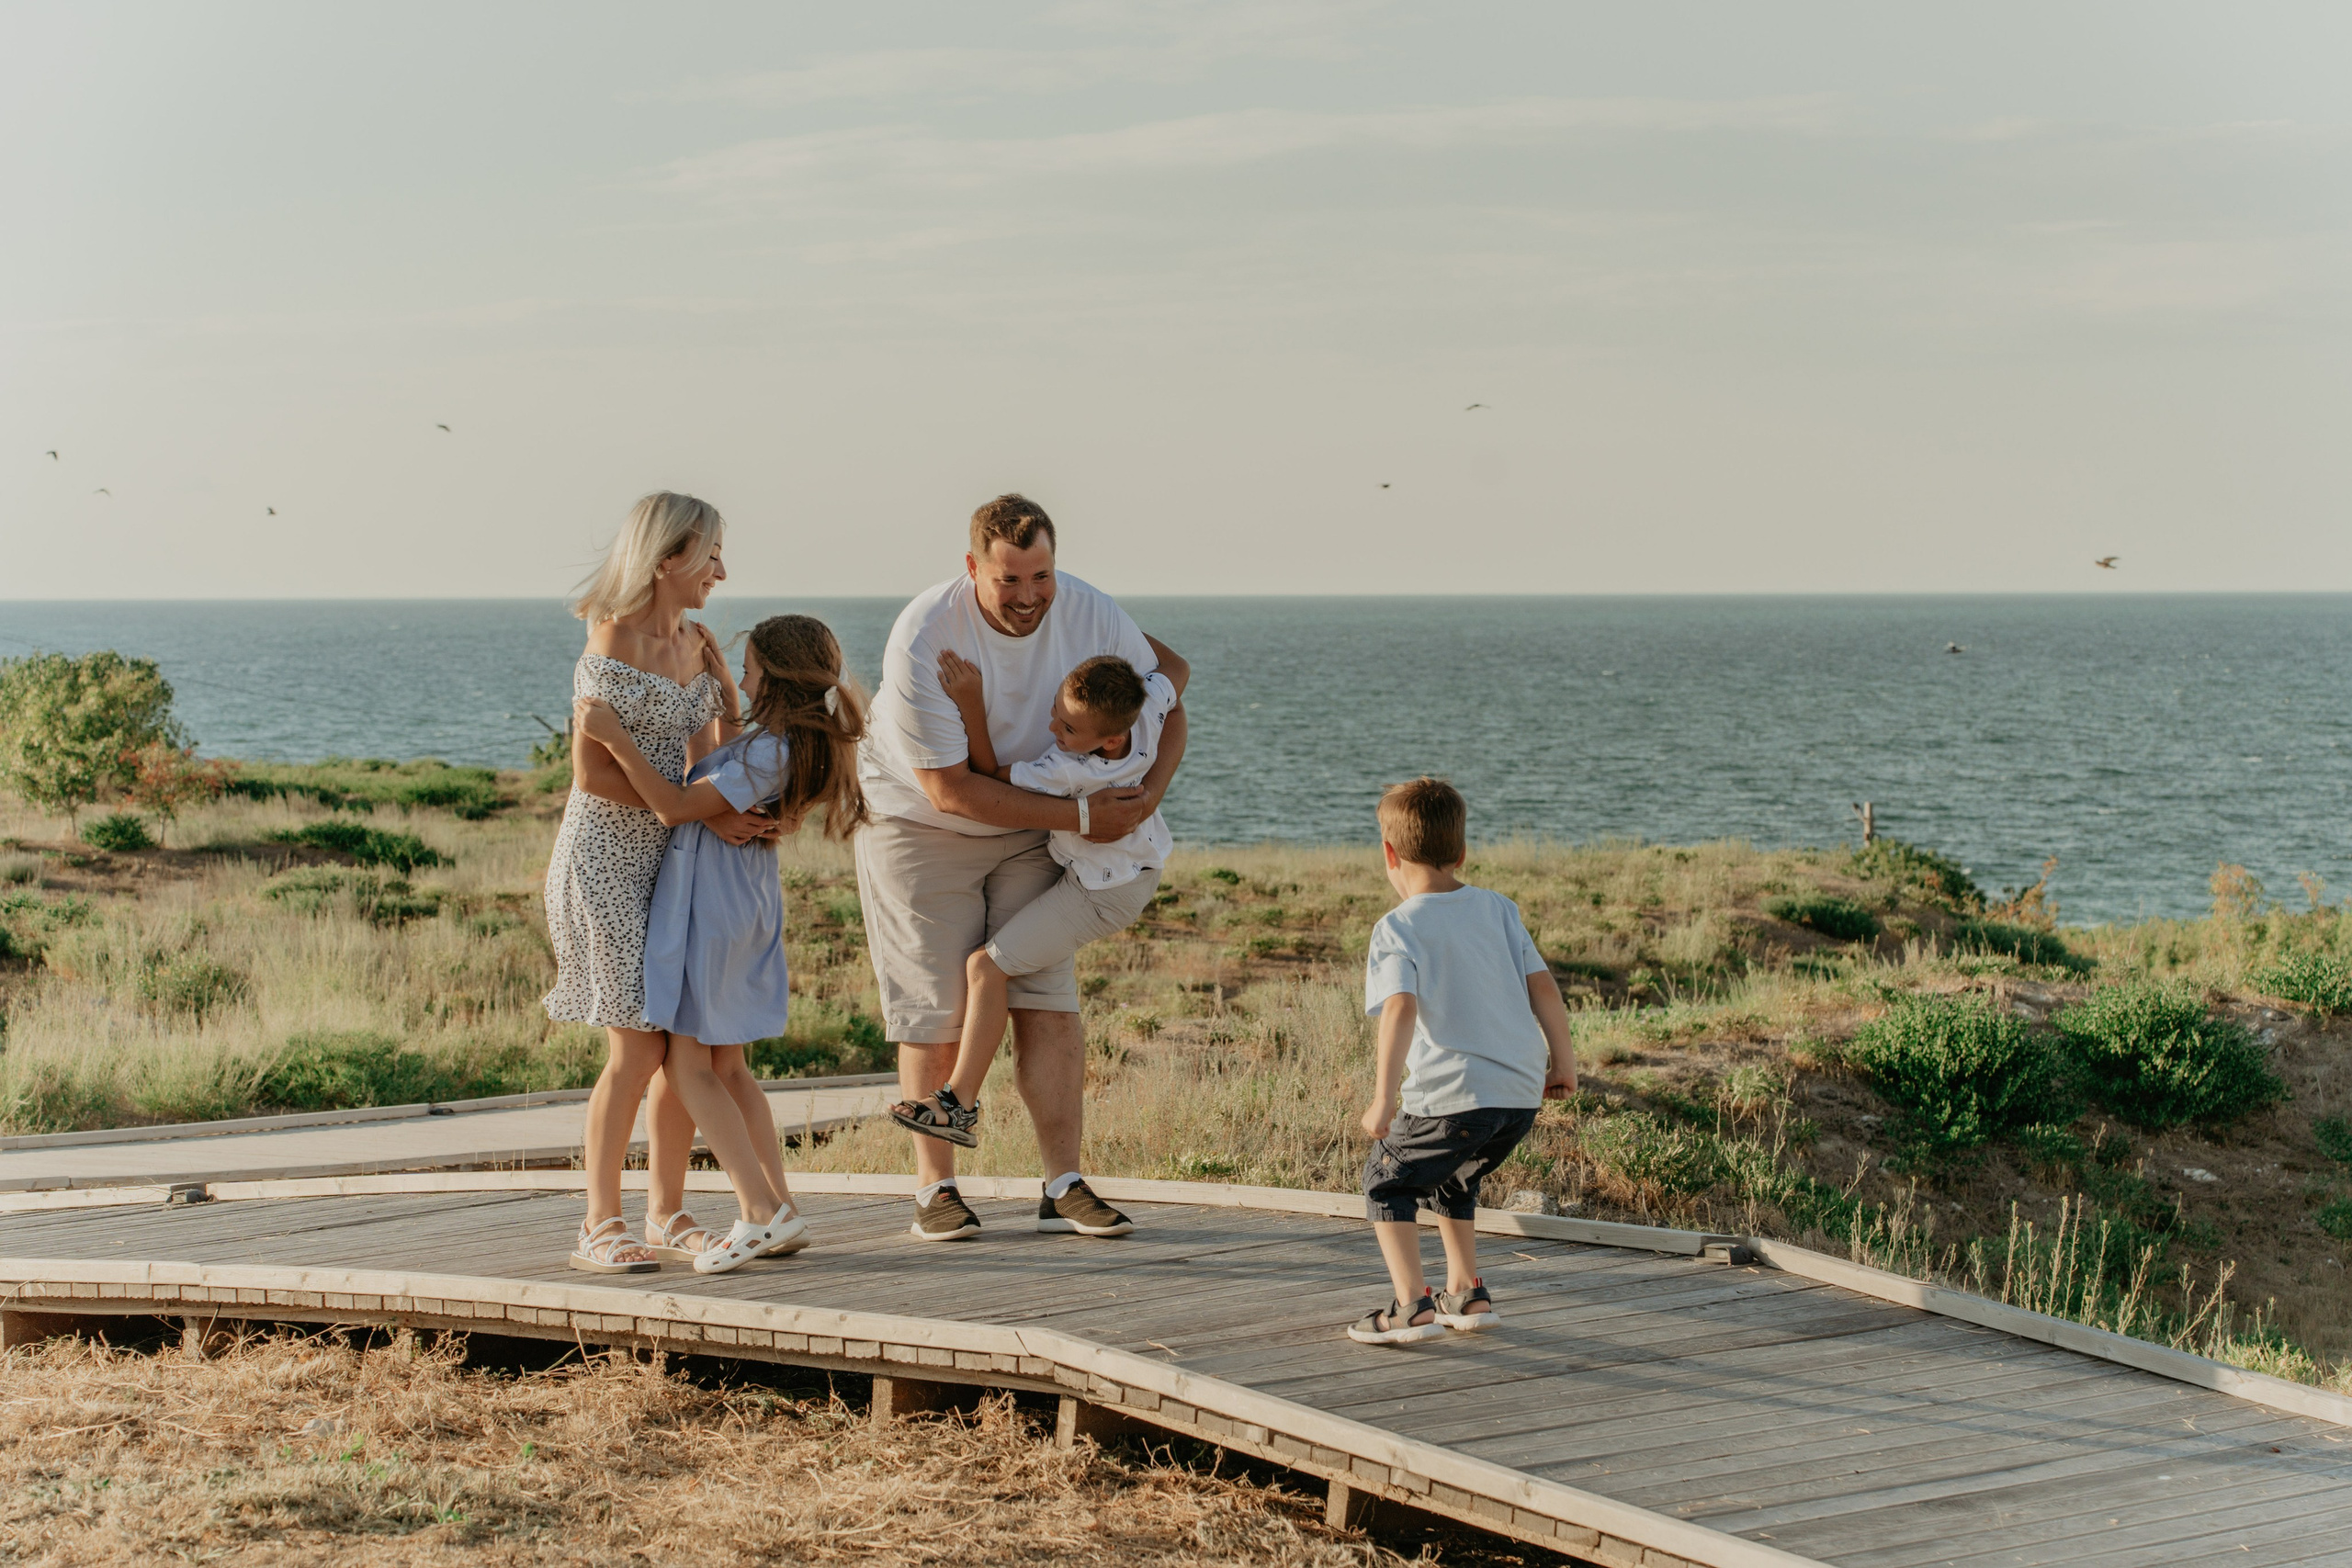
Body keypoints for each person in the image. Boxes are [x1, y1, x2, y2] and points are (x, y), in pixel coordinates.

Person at [856, 493, 1189, 1242]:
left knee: (1044, 994)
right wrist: (1083, 817)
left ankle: (1062, 1182)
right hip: (921, 822)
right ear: (973, 568)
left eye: (1041, 576)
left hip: (1038, 819)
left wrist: (1142, 801)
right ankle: (935, 1189)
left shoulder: (1092, 612)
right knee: (937, 1003)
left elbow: (1166, 699)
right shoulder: (925, 637)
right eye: (1009, 580)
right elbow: (952, 786)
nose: (1029, 596)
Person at [574, 614, 868, 1273]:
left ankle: (762, 1211)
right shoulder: (785, 743)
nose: (739, 676)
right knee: (730, 1069)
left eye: (751, 671)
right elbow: (713, 773)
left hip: (712, 914)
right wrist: (729, 706)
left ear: (779, 681)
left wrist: (615, 737)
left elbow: (677, 804)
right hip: (744, 908)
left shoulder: (772, 751)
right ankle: (778, 1208)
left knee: (687, 1067)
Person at [544, 491, 775, 1274]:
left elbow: (712, 754)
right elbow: (592, 775)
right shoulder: (608, 640)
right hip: (606, 857)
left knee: (684, 1037)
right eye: (710, 554)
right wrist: (693, 813)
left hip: (678, 860)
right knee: (636, 1049)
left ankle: (668, 1211)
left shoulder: (699, 639)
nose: (721, 568)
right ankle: (598, 1223)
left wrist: (710, 805)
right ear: (667, 557)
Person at [888, 649, 1184, 1159]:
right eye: (1056, 711)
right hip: (1132, 872)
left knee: (985, 968)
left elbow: (984, 773)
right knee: (992, 969)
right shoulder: (1146, 714)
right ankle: (959, 1104)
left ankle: (958, 1104)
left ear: (1107, 741)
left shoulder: (1066, 770)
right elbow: (1177, 668)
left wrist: (969, 702)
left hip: (1102, 894)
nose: (1053, 728)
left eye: (1067, 727)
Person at [1349, 777, 1578, 1344]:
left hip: (1454, 1094)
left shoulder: (1397, 926)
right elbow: (1545, 990)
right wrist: (1563, 1064)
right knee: (1455, 1177)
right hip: (1519, 1097)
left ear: (1388, 854)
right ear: (1462, 852)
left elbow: (1401, 1008)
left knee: (1386, 1180)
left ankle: (1410, 1306)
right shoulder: (1500, 910)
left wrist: (1382, 1099)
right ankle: (1465, 1293)